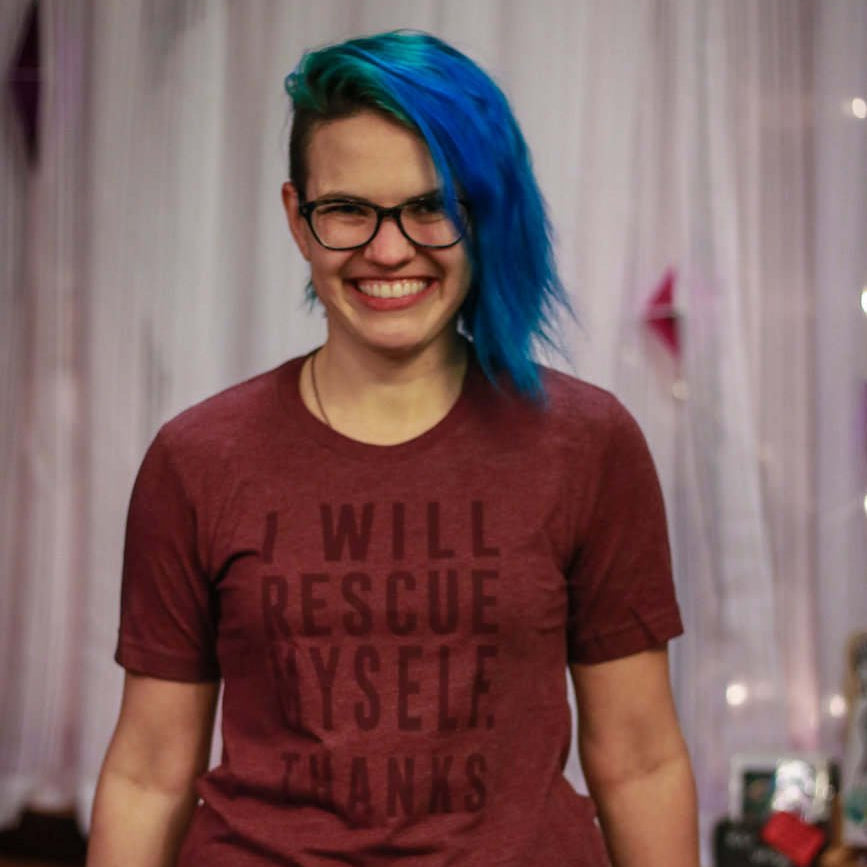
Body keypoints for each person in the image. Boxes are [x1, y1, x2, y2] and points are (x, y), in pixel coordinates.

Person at [87, 30, 699, 867]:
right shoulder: (197, 458)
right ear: (297, 218)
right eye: (348, 209)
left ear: (483, 216)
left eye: (430, 207)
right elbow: (149, 772)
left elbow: (640, 760)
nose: (388, 249)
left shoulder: (587, 444)